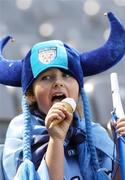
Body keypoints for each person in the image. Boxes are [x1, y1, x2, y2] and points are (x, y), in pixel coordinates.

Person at [0, 12, 125, 180]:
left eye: (67, 75)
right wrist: (56, 140)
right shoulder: (21, 132)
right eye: (46, 77)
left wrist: (121, 147)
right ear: (31, 93)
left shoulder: (94, 133)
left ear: (79, 88)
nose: (58, 83)